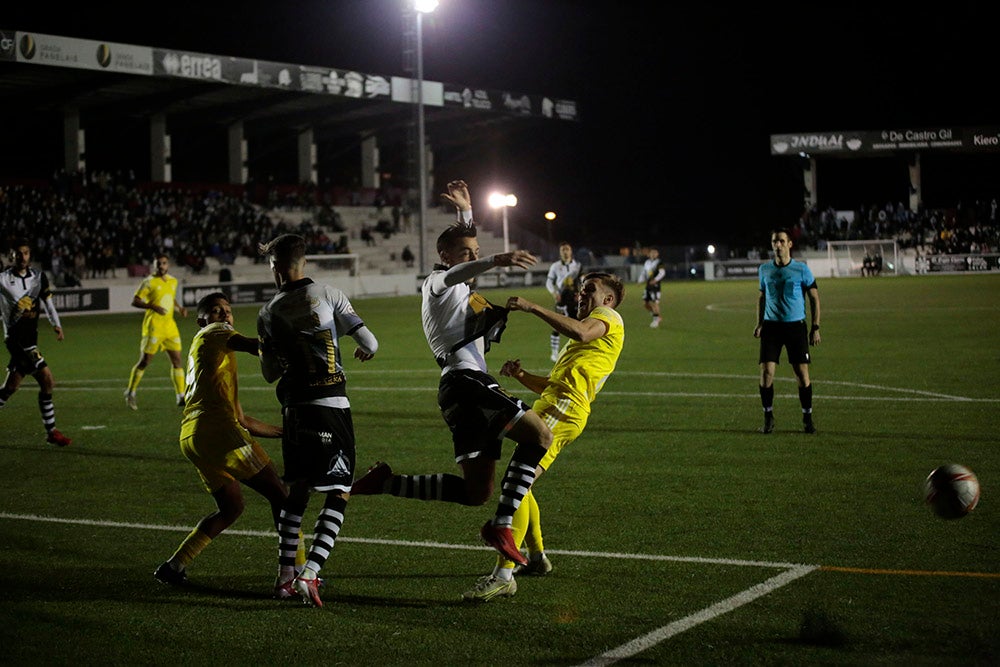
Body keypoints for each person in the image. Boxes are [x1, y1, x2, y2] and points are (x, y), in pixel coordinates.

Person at [351, 179, 552, 579]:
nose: (472, 258)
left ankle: (388, 483)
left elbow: (463, 248)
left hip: (458, 389)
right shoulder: (437, 283)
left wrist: (466, 214)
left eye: (476, 253)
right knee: (540, 436)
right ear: (445, 256)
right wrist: (493, 259)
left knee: (477, 492)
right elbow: (455, 269)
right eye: (466, 255)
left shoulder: (457, 287)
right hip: (467, 383)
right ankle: (503, 525)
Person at [460, 271, 626, 601]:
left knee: (514, 486)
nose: (581, 294)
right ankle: (535, 557)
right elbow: (554, 384)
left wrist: (532, 307)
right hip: (557, 403)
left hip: (564, 410)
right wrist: (521, 375)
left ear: (607, 299)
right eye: (580, 289)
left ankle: (504, 574)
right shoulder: (590, 331)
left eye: (589, 290)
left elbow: (579, 332)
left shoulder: (607, 317)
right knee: (521, 484)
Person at [257, 233, 379, 608]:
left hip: (294, 408)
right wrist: (353, 346)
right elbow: (371, 343)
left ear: (274, 267)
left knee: (298, 491)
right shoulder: (328, 293)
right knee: (339, 490)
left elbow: (269, 374)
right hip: (330, 403)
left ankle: (283, 578)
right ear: (304, 261)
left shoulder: (267, 314)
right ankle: (310, 573)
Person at [153, 292, 292, 589]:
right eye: (216, 311)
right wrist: (289, 346)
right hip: (217, 431)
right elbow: (254, 346)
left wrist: (284, 431)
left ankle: (174, 566)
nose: (224, 315)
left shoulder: (211, 356)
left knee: (231, 507)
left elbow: (242, 419)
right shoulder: (213, 333)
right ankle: (293, 574)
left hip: (194, 436)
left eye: (227, 310)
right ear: (202, 320)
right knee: (281, 495)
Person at [0, 239, 72, 447]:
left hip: (31, 339)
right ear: (11, 255)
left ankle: (51, 432)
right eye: (18, 253)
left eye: (26, 253)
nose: (22, 257)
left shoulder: (39, 278)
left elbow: (48, 304)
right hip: (16, 340)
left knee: (11, 387)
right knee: (47, 379)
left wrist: (56, 324)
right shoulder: (3, 279)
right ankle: (52, 431)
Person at [753, 228, 821, 434]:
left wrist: (815, 327)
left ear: (790, 244)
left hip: (795, 327)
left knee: (802, 374)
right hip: (771, 327)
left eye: (782, 241)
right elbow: (761, 298)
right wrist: (759, 323)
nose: (778, 245)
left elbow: (814, 299)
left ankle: (807, 417)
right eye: (775, 241)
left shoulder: (802, 270)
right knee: (766, 373)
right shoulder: (764, 270)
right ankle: (768, 416)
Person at [124, 253, 188, 410]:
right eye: (158, 263)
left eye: (164, 263)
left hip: (170, 327)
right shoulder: (148, 282)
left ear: (168, 265)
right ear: (154, 265)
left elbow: (170, 297)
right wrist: (152, 306)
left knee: (177, 361)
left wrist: (179, 308)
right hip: (154, 327)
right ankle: (130, 392)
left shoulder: (173, 281)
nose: (161, 266)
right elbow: (135, 301)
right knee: (145, 361)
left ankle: (180, 396)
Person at [544, 242, 582, 361]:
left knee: (578, 325)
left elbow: (582, 281)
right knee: (558, 326)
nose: (565, 252)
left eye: (567, 249)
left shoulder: (577, 266)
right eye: (563, 250)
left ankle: (577, 350)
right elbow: (549, 282)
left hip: (574, 300)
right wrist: (554, 293)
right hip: (561, 299)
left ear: (571, 251)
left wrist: (580, 294)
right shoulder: (555, 266)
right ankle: (554, 353)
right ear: (560, 252)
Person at [639, 248, 666, 328]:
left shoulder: (659, 262)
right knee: (645, 304)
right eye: (652, 252)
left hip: (655, 286)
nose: (653, 254)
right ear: (649, 254)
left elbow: (662, 273)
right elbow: (644, 272)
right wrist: (640, 280)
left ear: (657, 254)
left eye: (655, 252)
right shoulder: (647, 262)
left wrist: (655, 280)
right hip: (648, 285)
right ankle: (657, 316)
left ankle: (656, 320)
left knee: (655, 303)